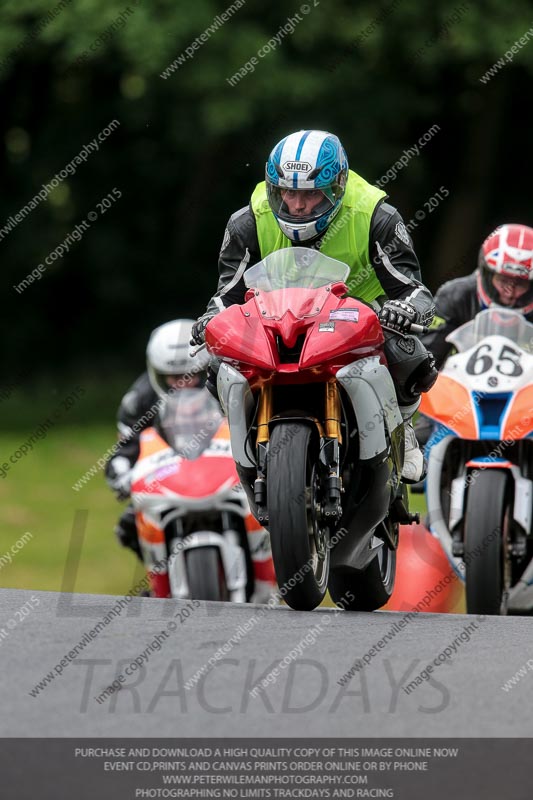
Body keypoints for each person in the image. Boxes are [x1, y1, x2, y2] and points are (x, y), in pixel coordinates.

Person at [191, 129, 437, 482]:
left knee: (410, 355)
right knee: (217, 366)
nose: (298, 204)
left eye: (310, 194)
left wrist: (407, 310)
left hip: (357, 317)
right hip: (275, 319)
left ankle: (402, 427)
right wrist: (209, 317)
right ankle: (249, 445)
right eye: (288, 193)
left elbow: (415, 290)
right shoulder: (247, 220)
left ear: (336, 187)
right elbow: (226, 295)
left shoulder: (375, 215)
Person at [105, 319, 210, 559]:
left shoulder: (233, 386)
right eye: (172, 376)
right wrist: (122, 476)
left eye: (190, 374)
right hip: (167, 482)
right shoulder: (138, 401)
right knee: (129, 526)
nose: (182, 383)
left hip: (227, 476)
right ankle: (159, 587)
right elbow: (124, 451)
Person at [422, 223, 533, 369]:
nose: (509, 292)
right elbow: (426, 359)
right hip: (458, 387)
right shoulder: (456, 295)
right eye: (503, 280)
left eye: (520, 283)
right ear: (488, 273)